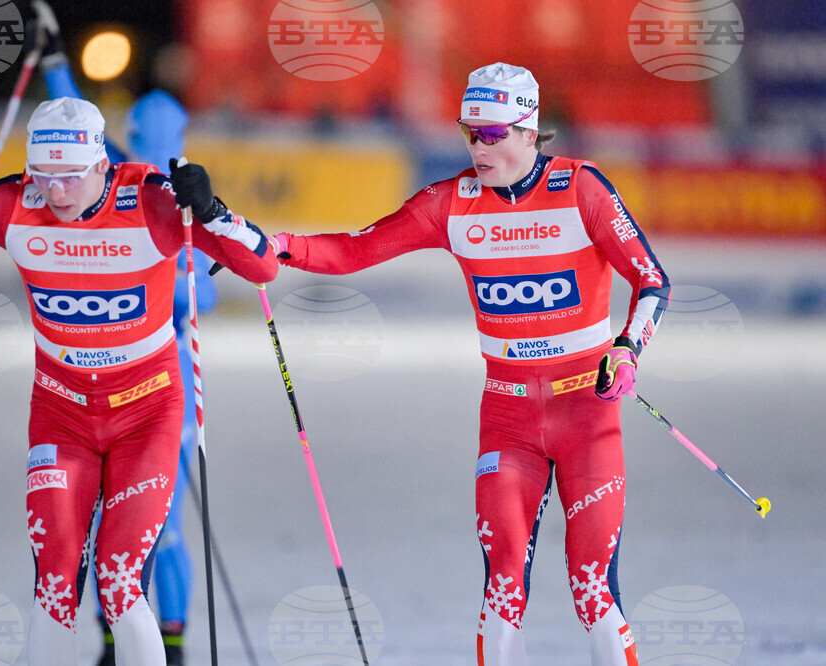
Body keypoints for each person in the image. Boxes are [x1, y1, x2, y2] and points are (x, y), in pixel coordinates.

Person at [271, 63, 670, 665]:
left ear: (529, 131)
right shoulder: (450, 203)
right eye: (468, 132)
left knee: (592, 588)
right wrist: (272, 244)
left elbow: (652, 279)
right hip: (508, 417)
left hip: (586, 413)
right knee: (504, 581)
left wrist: (628, 346)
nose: (477, 147)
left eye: (491, 134)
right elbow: (353, 250)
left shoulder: (581, 189)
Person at [0, 96, 278, 665]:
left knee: (120, 583)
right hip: (61, 413)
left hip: (148, 413)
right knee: (54, 587)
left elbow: (263, 266)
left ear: (102, 163)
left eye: (71, 176)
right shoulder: (12, 202)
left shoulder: (151, 199)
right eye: (45, 176)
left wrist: (214, 211)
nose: (58, 192)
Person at [29, 4, 209, 661]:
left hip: (165, 398)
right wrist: (53, 67)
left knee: (149, 532)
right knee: (137, 532)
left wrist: (172, 283)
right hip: (114, 395)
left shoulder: (173, 195)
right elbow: (70, 126)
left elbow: (208, 287)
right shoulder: (139, 186)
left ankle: (165, 643)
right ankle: (133, 639)